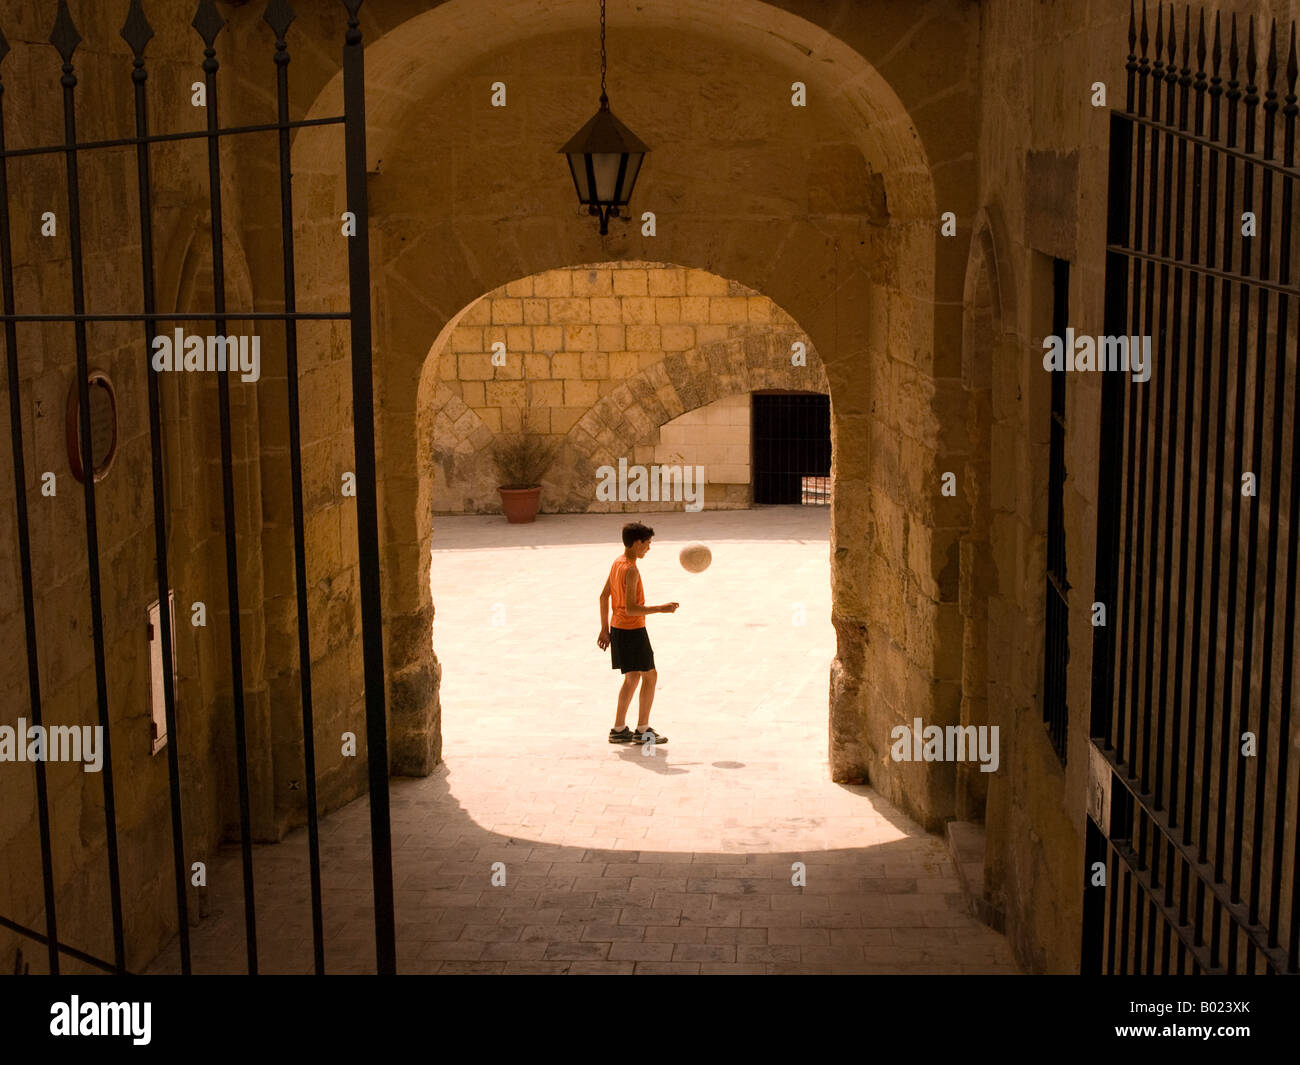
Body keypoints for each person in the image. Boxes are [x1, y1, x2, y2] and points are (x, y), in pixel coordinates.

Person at [597, 521, 678, 745]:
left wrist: (605, 629)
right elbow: (631, 609)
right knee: (650, 676)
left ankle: (619, 729)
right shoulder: (630, 569)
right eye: (647, 544)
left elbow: (604, 597)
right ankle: (643, 730)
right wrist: (661, 608)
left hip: (618, 629)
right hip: (632, 630)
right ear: (636, 543)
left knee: (632, 678)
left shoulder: (617, 563)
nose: (648, 548)